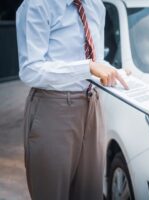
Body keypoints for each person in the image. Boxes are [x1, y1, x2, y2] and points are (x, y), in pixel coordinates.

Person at [16, 0, 128, 199]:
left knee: (90, 192)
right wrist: (86, 68)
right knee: (51, 193)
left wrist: (116, 73)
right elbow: (30, 70)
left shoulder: (96, 6)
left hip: (93, 105)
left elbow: (97, 60)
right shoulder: (37, 5)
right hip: (53, 108)